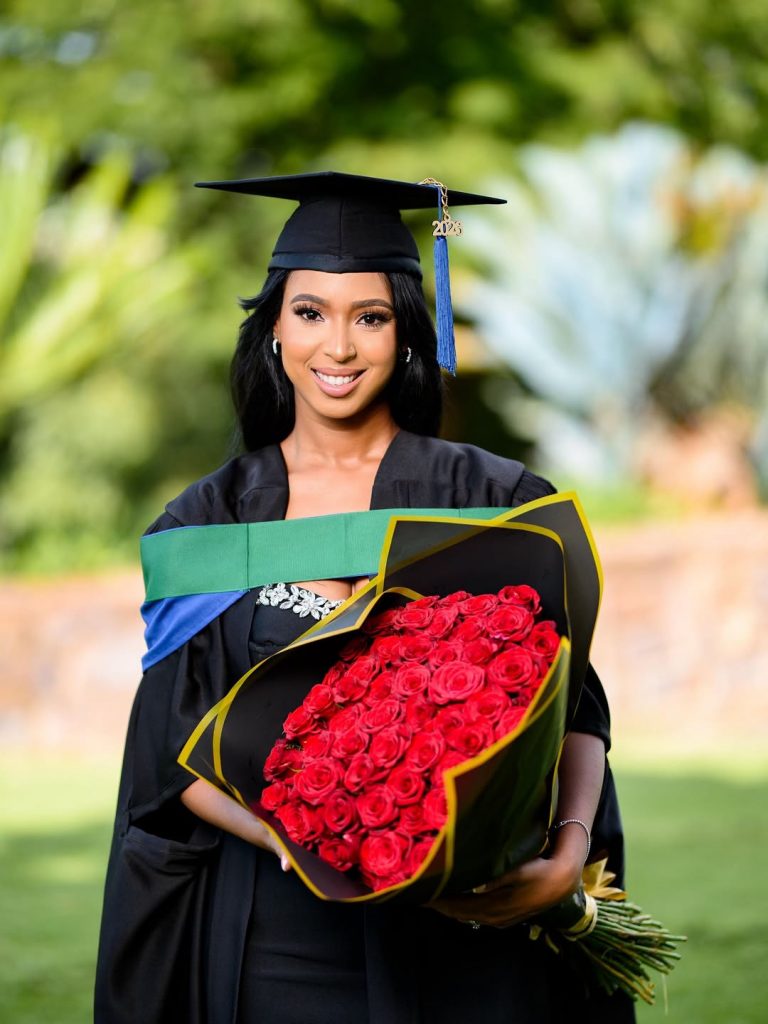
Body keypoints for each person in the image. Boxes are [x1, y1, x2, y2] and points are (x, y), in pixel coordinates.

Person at [95, 173, 634, 1023]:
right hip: (275, 932)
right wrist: (302, 845)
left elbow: (572, 705)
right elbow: (173, 749)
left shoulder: (490, 498)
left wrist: (568, 854)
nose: (337, 347)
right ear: (273, 328)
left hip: (471, 922)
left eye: (370, 317)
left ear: (406, 333)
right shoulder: (210, 518)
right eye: (310, 313)